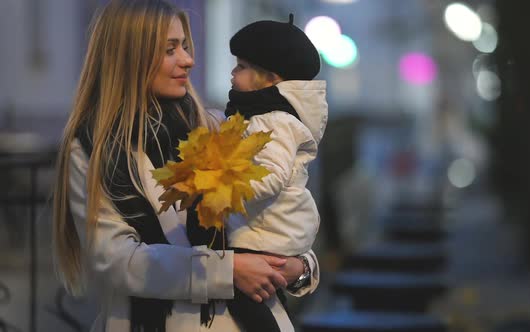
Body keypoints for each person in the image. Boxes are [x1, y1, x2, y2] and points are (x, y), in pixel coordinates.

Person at [51, 1, 319, 331]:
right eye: (170, 49)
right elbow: (114, 261)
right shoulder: (94, 146)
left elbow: (283, 215)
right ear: (130, 57)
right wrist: (226, 270)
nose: (188, 60)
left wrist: (300, 267)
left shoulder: (217, 125)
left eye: (186, 46)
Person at [223, 14, 327, 332]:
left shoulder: (273, 122)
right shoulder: (266, 117)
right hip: (269, 231)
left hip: (265, 234)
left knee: (250, 307)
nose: (232, 72)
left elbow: (271, 176)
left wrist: (225, 183)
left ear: (269, 79)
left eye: (241, 66)